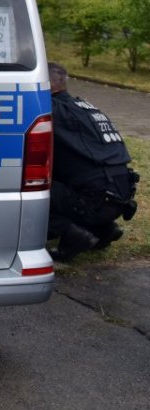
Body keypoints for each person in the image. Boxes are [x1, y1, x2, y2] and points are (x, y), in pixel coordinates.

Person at [47, 62, 140, 261]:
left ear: (47, 85)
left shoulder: (54, 109)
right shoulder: (86, 107)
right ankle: (104, 230)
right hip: (119, 195)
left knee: (31, 187)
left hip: (95, 199)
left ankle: (73, 235)